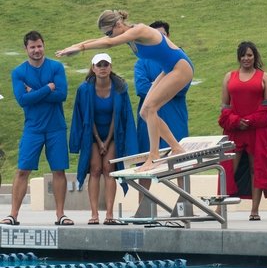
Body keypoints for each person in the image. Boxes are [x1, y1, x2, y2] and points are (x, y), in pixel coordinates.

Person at [56, 10, 193, 171]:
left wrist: (82, 47)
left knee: (150, 109)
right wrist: (77, 46)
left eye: (110, 32)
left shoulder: (139, 30)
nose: (110, 36)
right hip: (169, 68)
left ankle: (154, 155)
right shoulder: (127, 34)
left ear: (119, 24)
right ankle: (176, 148)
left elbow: (108, 43)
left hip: (180, 67)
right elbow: (103, 40)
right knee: (145, 112)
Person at [1, 31, 73, 226]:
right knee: (22, 170)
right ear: (26, 49)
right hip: (32, 128)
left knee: (59, 171)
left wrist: (35, 92)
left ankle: (60, 215)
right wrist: (47, 88)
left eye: (39, 46)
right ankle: (13, 215)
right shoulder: (18, 72)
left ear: (44, 45)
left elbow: (62, 95)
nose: (36, 50)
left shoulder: (56, 67)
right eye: (32, 47)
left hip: (55, 128)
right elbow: (23, 100)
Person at [70, 53, 138, 225]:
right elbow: (85, 117)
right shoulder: (84, 89)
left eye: (105, 64)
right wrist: (98, 142)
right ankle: (94, 214)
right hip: (91, 135)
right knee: (94, 169)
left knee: (109, 169)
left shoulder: (120, 88)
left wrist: (107, 142)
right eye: (98, 65)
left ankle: (109, 213)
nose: (102, 68)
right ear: (93, 68)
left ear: (110, 67)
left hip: (113, 134)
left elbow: (120, 116)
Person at [218, 41, 267, 221]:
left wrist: (250, 121)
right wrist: (236, 121)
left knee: (256, 168)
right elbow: (225, 107)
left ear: (255, 57)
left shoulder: (264, 77)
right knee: (227, 168)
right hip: (235, 129)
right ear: (239, 57)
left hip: (257, 130)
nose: (246, 58)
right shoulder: (229, 76)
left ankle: (255, 210)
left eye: (250, 55)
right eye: (243, 55)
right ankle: (221, 209)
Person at [134, 20, 189, 200]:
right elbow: (141, 87)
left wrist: (158, 88)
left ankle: (184, 204)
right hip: (150, 120)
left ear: (168, 38)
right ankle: (143, 207)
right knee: (146, 162)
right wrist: (166, 87)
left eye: (163, 36)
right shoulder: (143, 62)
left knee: (180, 162)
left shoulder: (175, 58)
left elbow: (182, 86)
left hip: (175, 117)